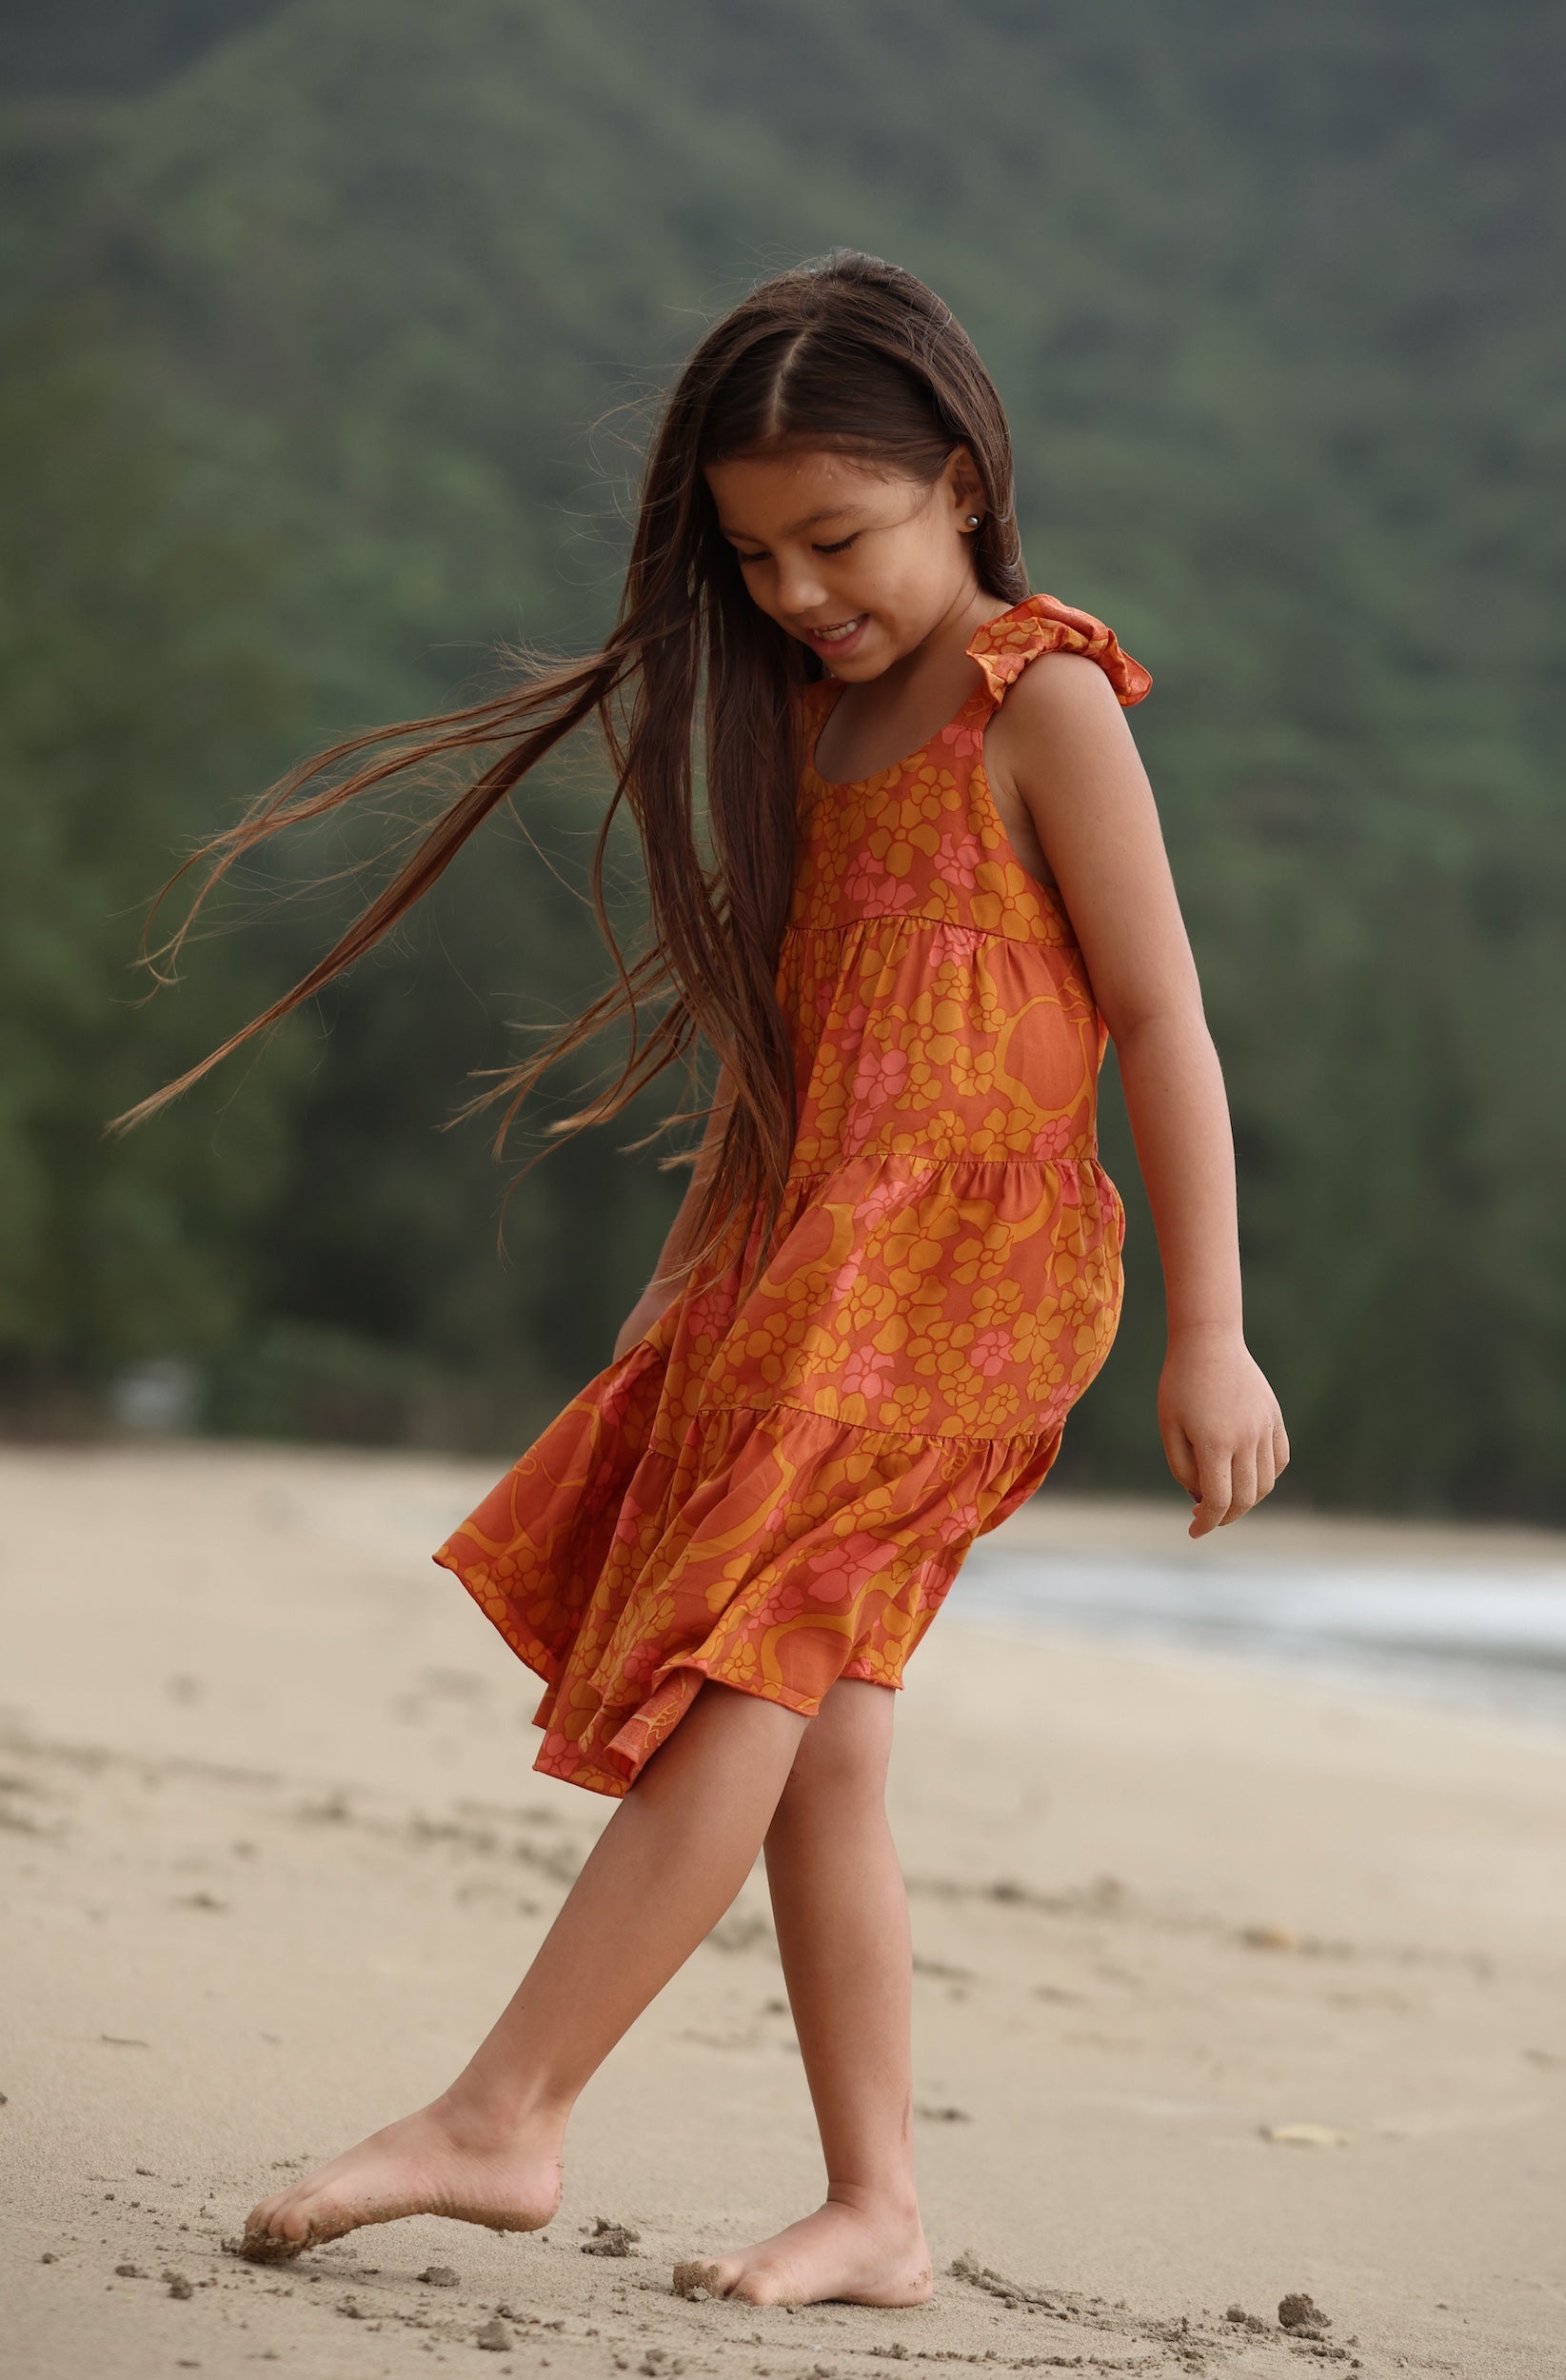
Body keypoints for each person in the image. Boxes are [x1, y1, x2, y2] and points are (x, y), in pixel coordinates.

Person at [122, 249, 1287, 2308]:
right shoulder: (817, 731)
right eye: (755, 558)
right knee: (824, 1735)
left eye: (837, 537)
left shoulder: (1049, 695)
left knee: (752, 1655)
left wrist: (1213, 1327)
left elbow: (1167, 1019)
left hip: (977, 1280)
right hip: (799, 1270)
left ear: (959, 473)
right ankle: (879, 2204)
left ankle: (509, 2107)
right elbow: (791, 1067)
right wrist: (679, 1303)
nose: (800, 591)